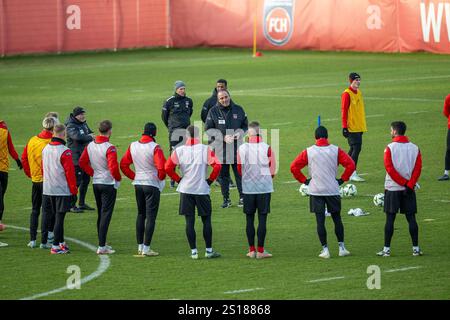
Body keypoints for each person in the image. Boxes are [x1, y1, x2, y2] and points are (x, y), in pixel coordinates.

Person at [290, 126, 355, 259]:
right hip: (332, 189)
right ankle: (342, 248)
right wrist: (342, 179)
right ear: (327, 136)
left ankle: (325, 250)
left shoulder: (309, 151)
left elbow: (293, 167)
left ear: (315, 137)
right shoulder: (336, 150)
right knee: (337, 219)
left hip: (316, 190)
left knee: (320, 222)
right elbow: (351, 165)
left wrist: (304, 180)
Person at [165, 125, 222, 259]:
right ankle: (208, 251)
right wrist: (210, 180)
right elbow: (217, 165)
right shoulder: (205, 149)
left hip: (186, 189)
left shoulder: (179, 150)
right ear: (198, 135)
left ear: (186, 136)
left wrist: (178, 179)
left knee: (189, 222)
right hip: (201, 189)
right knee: (206, 220)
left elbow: (167, 168)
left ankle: (194, 252)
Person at [377, 121, 423, 257]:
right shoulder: (415, 148)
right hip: (409, 189)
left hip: (392, 188)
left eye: (391, 130)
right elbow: (418, 168)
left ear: (395, 131)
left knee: (390, 219)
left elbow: (389, 169)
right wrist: (409, 184)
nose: (390, 132)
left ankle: (386, 250)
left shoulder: (389, 148)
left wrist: (402, 183)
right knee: (411, 219)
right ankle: (416, 249)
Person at [120, 123, 166, 256]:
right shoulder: (155, 147)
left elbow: (123, 164)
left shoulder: (133, 145)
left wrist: (134, 176)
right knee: (151, 217)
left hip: (138, 184)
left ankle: (140, 246)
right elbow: (161, 168)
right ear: (154, 133)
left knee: (141, 214)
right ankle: (146, 248)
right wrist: (160, 178)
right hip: (151, 184)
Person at [79, 120, 121, 255]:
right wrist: (118, 178)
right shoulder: (110, 147)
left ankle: (102, 242)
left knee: (101, 214)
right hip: (107, 183)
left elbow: (82, 162)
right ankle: (102, 246)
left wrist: (93, 173)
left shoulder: (90, 145)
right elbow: (113, 167)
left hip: (96, 182)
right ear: (110, 131)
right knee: (106, 214)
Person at [237, 121, 276, 259]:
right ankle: (261, 250)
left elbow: (239, 169)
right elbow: (272, 170)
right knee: (262, 219)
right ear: (260, 133)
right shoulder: (267, 147)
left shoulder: (242, 148)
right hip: (264, 188)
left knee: (249, 219)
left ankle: (251, 250)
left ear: (249, 134)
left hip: (248, 189)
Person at [205, 89, 248, 208]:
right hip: (221, 150)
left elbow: (245, 126)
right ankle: (226, 199)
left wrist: (240, 133)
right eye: (221, 98)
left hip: (237, 149)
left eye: (226, 97)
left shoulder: (239, 109)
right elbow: (208, 129)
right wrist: (222, 137)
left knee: (239, 174)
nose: (224, 100)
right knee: (223, 177)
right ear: (218, 100)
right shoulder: (213, 111)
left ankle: (242, 198)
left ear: (229, 96)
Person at [22, 116, 58, 249]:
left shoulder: (32, 139)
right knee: (48, 211)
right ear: (53, 128)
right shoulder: (51, 143)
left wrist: (30, 174)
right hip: (47, 181)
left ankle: (32, 240)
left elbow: (24, 158)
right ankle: (45, 241)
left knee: (35, 210)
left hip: (35, 180)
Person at [41, 124, 77, 254]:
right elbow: (70, 173)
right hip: (61, 189)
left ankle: (61, 242)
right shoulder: (65, 150)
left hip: (48, 188)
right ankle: (55, 246)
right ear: (63, 134)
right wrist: (74, 191)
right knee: (59, 218)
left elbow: (42, 168)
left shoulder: (45, 148)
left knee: (56, 216)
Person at [201, 79, 236, 189]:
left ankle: (223, 179)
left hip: (228, 136)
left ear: (226, 87)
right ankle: (219, 179)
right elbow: (203, 116)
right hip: (215, 136)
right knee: (218, 159)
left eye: (222, 87)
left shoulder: (229, 100)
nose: (219, 88)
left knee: (227, 157)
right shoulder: (209, 101)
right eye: (218, 87)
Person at [161, 80, 193, 188]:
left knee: (187, 153)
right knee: (174, 154)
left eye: (184, 88)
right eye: (181, 89)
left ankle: (186, 176)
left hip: (186, 131)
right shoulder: (169, 101)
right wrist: (171, 127)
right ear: (176, 90)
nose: (183, 91)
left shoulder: (189, 101)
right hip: (174, 131)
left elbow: (190, 113)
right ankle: (172, 179)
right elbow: (164, 117)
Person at [65, 106, 95, 213]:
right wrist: (90, 137)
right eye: (81, 114)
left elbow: (91, 133)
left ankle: (81, 203)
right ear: (76, 115)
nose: (83, 116)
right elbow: (78, 138)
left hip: (85, 158)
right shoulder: (70, 126)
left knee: (86, 181)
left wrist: (90, 136)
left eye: (83, 114)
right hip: (76, 159)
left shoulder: (83, 123)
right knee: (76, 183)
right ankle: (71, 205)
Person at [341, 72, 367, 182]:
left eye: (359, 80)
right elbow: (344, 110)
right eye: (356, 80)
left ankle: (348, 168)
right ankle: (352, 172)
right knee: (356, 148)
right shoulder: (347, 94)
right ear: (351, 81)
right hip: (351, 126)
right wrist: (344, 127)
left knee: (353, 148)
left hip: (359, 126)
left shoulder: (359, 93)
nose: (358, 82)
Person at [0, 119, 22, 232]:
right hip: (3, 169)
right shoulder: (4, 131)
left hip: (3, 168)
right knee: (1, 195)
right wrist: (17, 159)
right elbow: (11, 148)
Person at [438, 94, 450, 181]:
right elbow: (446, 112)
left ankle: (446, 173)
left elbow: (446, 112)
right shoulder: (448, 97)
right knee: (449, 149)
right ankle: (446, 173)